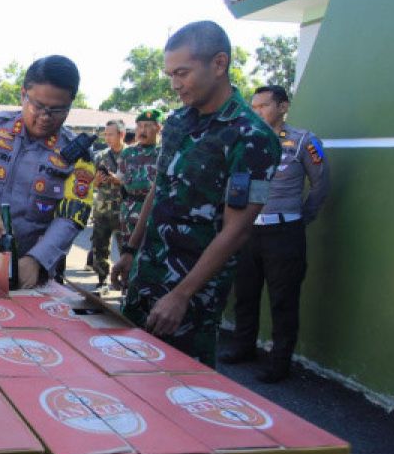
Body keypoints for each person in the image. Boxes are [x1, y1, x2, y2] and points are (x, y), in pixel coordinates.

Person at [110, 21, 281, 366]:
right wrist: (131, 249)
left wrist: (182, 295)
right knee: (127, 372)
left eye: (182, 73)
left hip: (191, 297)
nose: (174, 85)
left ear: (219, 64)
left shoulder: (254, 137)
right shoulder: (176, 122)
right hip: (146, 278)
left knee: (178, 387)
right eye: (170, 74)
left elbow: (238, 229)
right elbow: (158, 189)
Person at [0, 55, 85, 288]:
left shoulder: (78, 156)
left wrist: (37, 259)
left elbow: (70, 217)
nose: (45, 117)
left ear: (70, 105)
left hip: (31, 274)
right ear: (23, 94)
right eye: (38, 106)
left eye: (57, 110)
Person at [221, 85, 330, 382]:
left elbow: (321, 185)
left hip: (284, 232)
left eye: (263, 106)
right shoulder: (244, 142)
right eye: (253, 107)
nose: (256, 112)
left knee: (283, 300)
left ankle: (279, 363)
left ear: (283, 107)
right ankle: (243, 347)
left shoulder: (303, 141)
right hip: (247, 231)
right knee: (245, 294)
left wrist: (299, 218)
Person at [89, 120, 127, 292]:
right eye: (105, 134)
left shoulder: (131, 155)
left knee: (125, 248)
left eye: (111, 134)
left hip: (123, 211)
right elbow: (90, 185)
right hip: (102, 209)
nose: (107, 138)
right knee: (99, 246)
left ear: (122, 134)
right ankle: (102, 279)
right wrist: (96, 182)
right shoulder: (100, 156)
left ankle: (126, 282)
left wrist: (119, 181)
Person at [117, 108, 163, 244]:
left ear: (158, 128)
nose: (142, 130)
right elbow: (119, 179)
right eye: (139, 126)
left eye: (147, 126)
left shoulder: (164, 153)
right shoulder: (127, 153)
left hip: (154, 212)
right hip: (129, 210)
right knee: (126, 252)